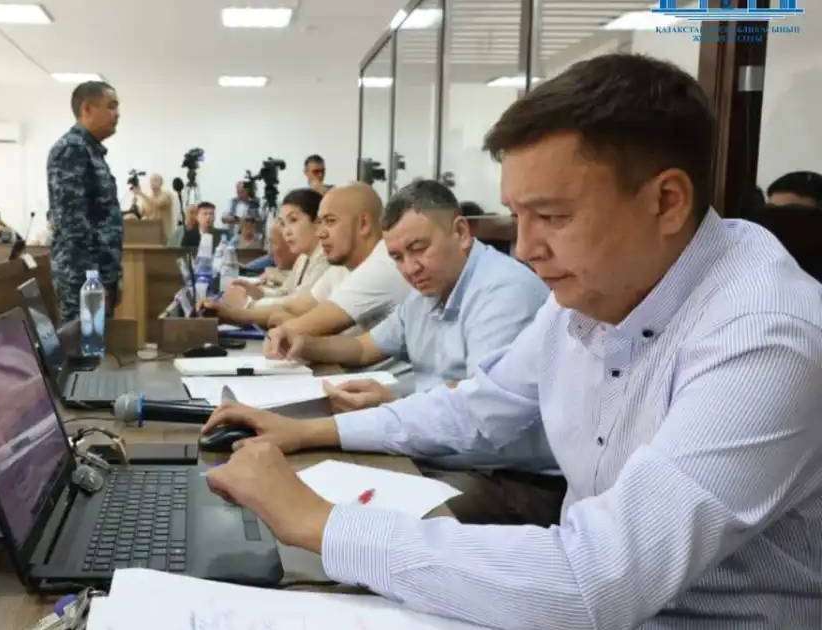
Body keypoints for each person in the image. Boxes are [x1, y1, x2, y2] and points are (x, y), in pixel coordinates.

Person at [201, 54, 822, 628]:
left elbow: (600, 578)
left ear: (666, 201)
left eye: (552, 217)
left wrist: (317, 520)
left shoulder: (765, 336)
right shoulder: (592, 288)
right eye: (518, 215)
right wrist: (305, 432)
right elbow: (481, 405)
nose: (525, 249)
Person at [267, 179, 548, 411]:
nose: (410, 268)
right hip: (439, 439)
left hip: (499, 471)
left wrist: (396, 402)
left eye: (419, 248)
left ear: (461, 232)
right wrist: (303, 344)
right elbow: (364, 348)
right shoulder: (426, 289)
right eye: (397, 257)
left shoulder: (501, 292)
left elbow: (481, 411)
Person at [267, 183, 412, 335]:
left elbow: (306, 328)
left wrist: (287, 324)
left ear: (363, 224)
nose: (320, 233)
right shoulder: (344, 265)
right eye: (320, 222)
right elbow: (298, 309)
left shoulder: (382, 265)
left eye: (330, 221)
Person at [47, 80, 124, 322]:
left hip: (98, 275)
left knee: (95, 351)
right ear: (87, 109)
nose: (117, 114)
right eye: (111, 106)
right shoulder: (72, 149)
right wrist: (93, 280)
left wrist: (112, 275)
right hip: (82, 278)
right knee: (82, 353)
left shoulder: (91, 151)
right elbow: (72, 224)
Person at [216, 189, 329, 316]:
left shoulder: (326, 260)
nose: (286, 231)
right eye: (283, 224)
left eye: (293, 220)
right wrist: (258, 292)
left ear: (317, 222)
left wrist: (248, 304)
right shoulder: (304, 258)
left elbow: (298, 305)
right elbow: (286, 292)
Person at [134, 173, 176, 237]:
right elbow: (141, 214)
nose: (152, 182)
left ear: (161, 183)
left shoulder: (167, 195)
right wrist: (134, 205)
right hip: (150, 234)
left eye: (155, 180)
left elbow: (158, 203)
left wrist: (141, 194)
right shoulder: (147, 197)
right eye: (151, 181)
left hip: (164, 235)